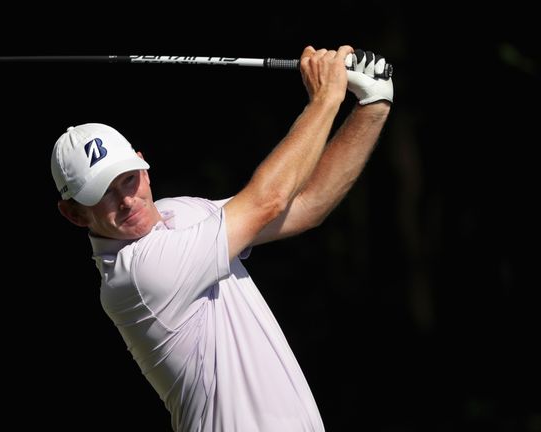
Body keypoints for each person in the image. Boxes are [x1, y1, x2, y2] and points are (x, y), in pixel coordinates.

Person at [50, 45, 393, 431]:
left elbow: (307, 205)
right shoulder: (135, 277)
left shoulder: (184, 213)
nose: (127, 199)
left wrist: (372, 106)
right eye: (103, 194)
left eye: (128, 179)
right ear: (74, 214)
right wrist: (325, 98)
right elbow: (268, 200)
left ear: (144, 168)